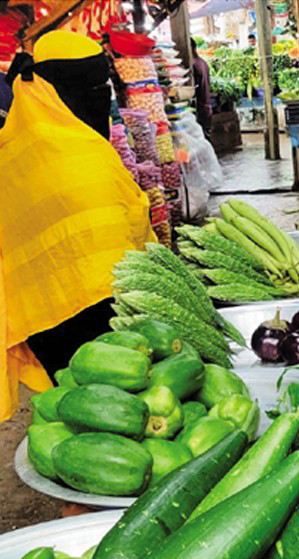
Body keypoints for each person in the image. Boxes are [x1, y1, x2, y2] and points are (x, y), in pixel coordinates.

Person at [0, 31, 154, 421]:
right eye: (87, 85)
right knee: (116, 405)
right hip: (103, 307)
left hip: (42, 308)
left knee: (78, 401)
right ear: (55, 87)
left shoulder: (11, 152)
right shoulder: (83, 151)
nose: (98, 94)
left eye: (102, 84)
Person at [191, 37, 212, 137]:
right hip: (207, 104)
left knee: (202, 137)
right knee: (206, 136)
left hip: (200, 105)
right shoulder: (203, 62)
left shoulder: (194, 65)